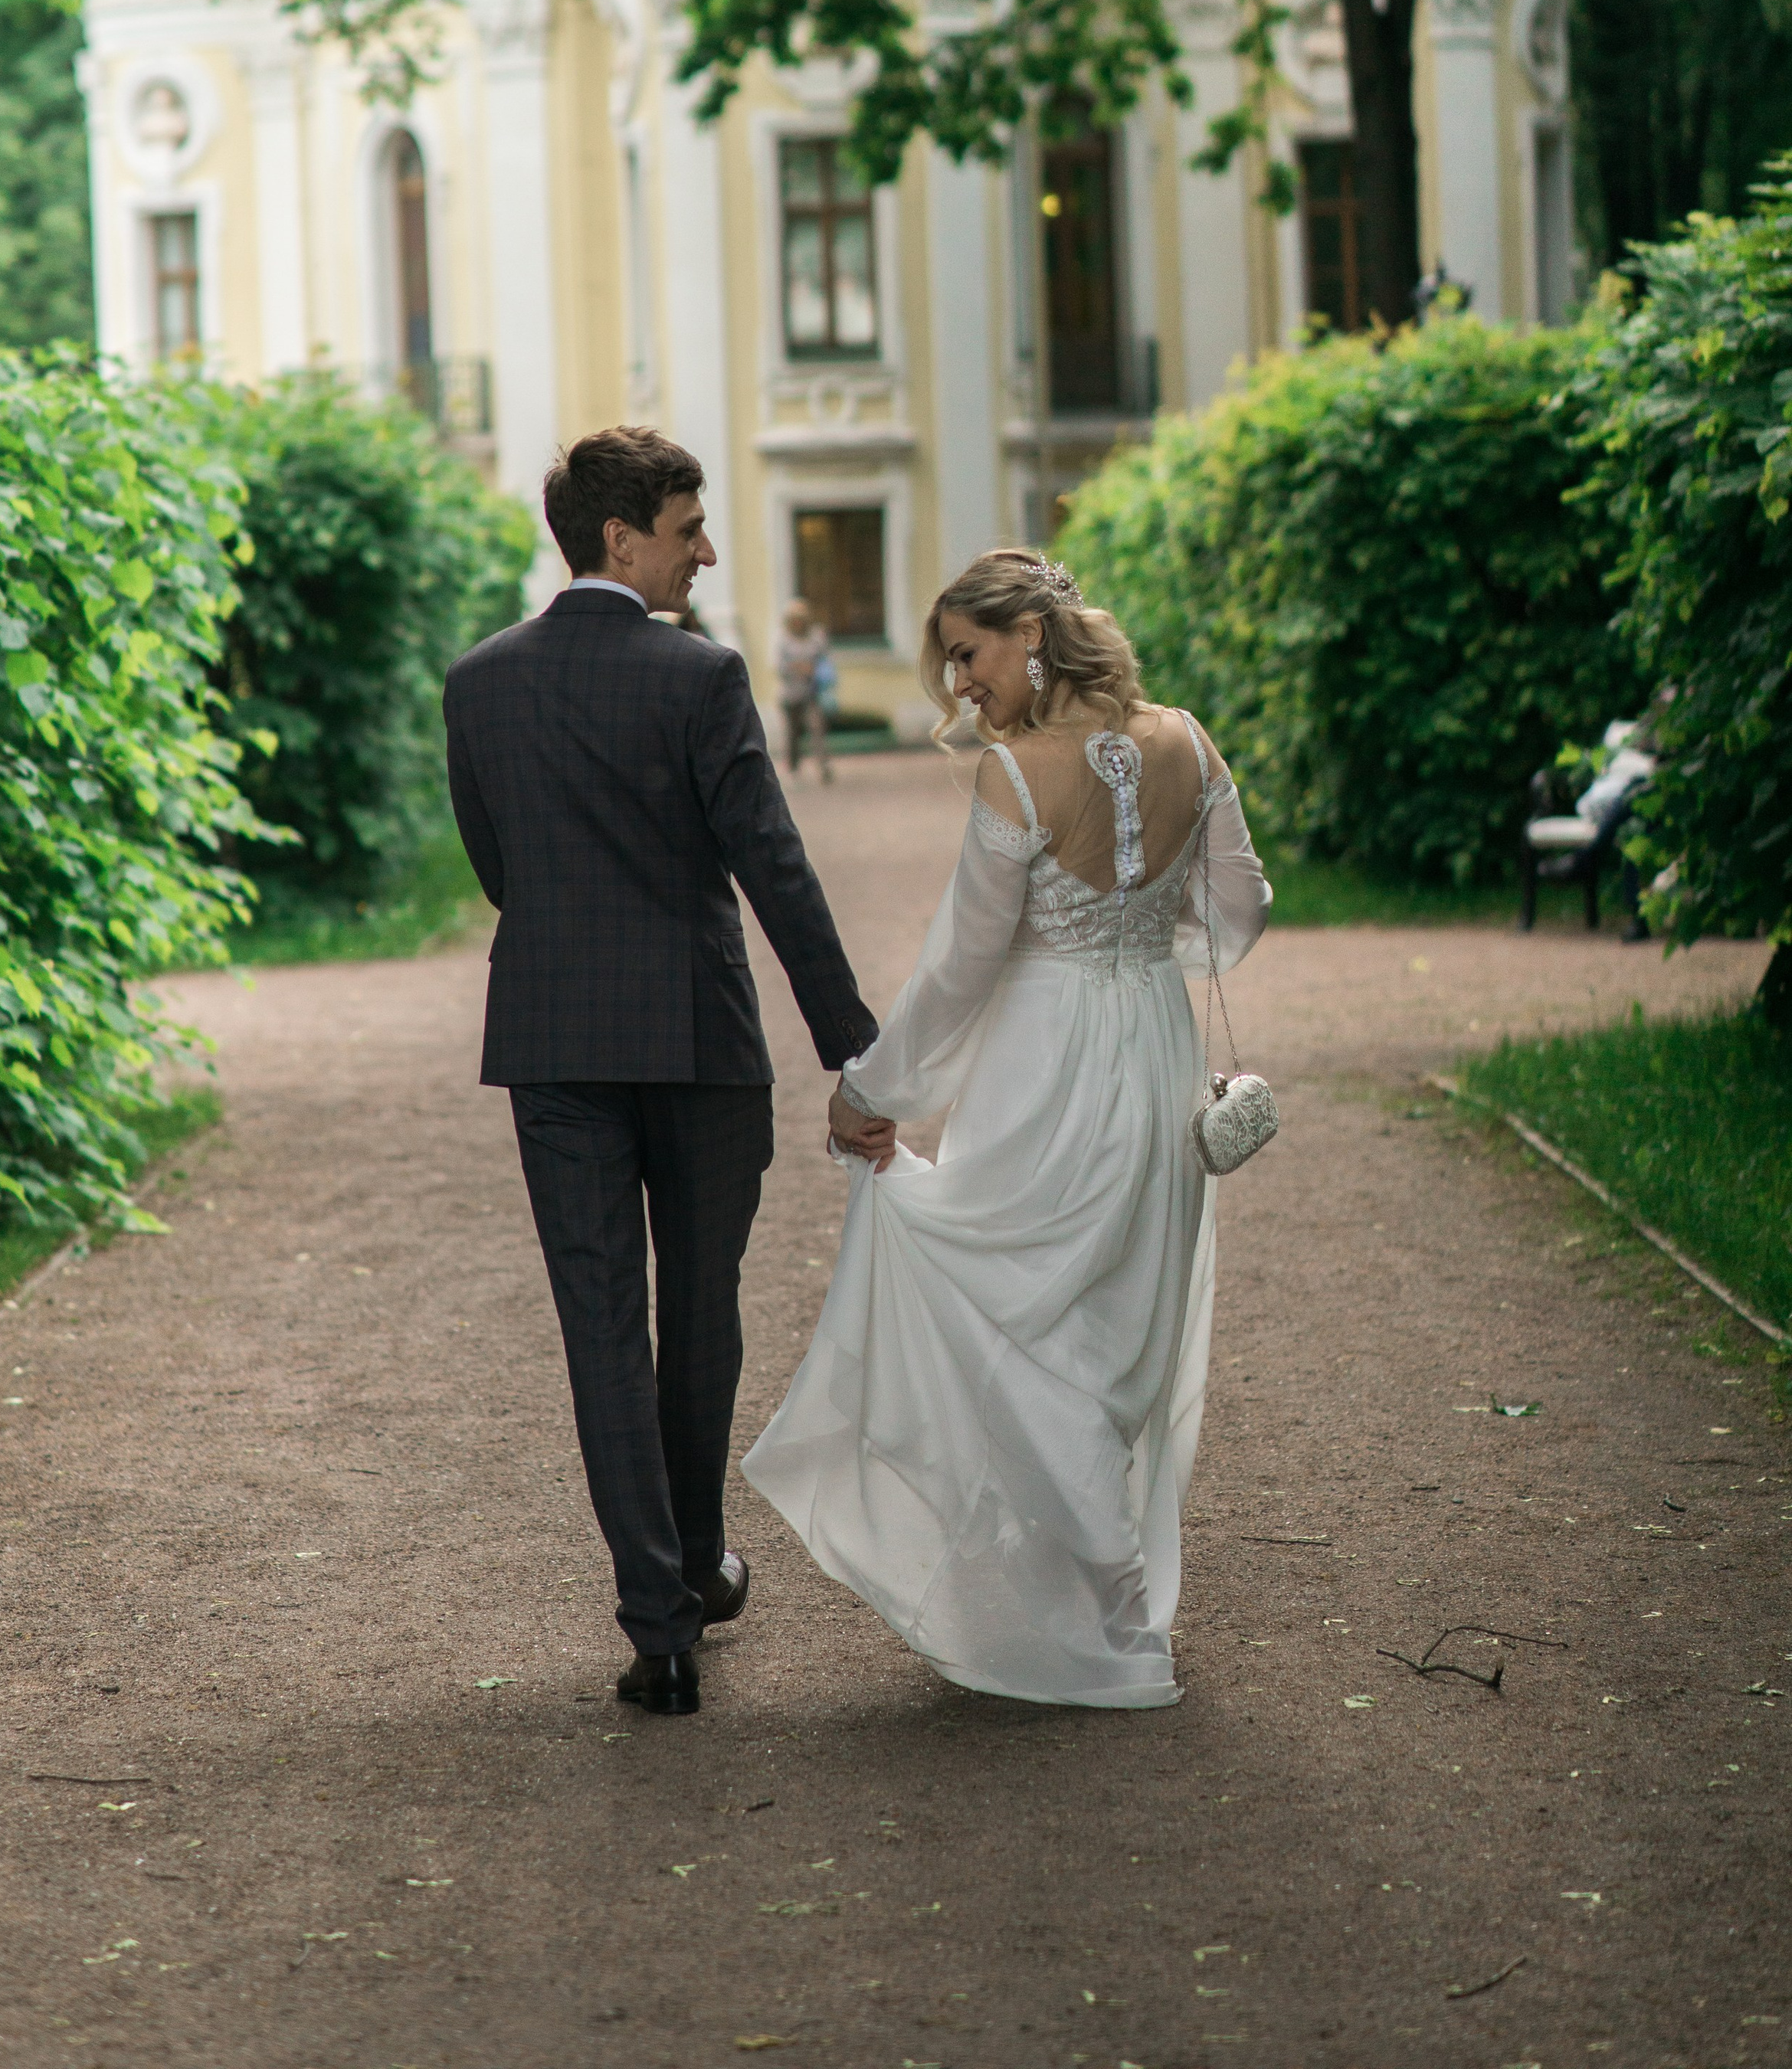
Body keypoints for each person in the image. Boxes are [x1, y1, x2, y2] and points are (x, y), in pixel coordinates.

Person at [742, 548, 1270, 1709]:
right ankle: (1111, 1605)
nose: (959, 687)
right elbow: (1241, 909)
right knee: (1120, 1317)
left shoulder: (1019, 776)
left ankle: (1097, 1608)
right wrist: (1139, 942)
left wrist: (869, 1094)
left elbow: (961, 969)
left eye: (968, 656)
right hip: (1158, 1055)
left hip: (1046, 1064)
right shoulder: (1189, 737)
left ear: (1031, 633)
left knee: (1024, 1303)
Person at [444, 427, 878, 1717]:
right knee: (698, 1314)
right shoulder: (700, 676)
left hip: (555, 1046)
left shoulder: (478, 684)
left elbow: (497, 865)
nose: (706, 551)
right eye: (690, 529)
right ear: (618, 538)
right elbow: (773, 868)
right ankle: (693, 1565)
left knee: (601, 1328)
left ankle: (664, 1627)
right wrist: (853, 1040)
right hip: (698, 1045)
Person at [775, 597, 834, 782]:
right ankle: (793, 769)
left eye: (801, 618)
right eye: (795, 619)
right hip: (790, 695)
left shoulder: (816, 636)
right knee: (792, 734)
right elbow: (779, 667)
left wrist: (813, 669)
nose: (798, 622)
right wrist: (800, 667)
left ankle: (823, 767)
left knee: (817, 729)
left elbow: (824, 660)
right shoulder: (783, 638)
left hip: (812, 693)